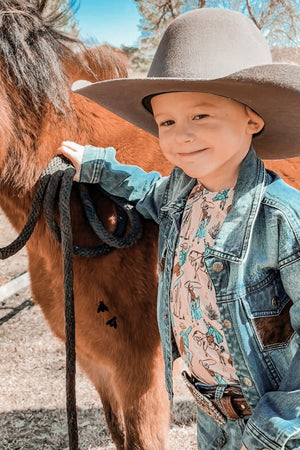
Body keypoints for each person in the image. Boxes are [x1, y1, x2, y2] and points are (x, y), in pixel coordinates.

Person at [59, 8, 300, 450]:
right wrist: (98, 166)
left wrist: (280, 427)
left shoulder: (281, 217)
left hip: (269, 423)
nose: (181, 136)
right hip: (209, 412)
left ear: (253, 120)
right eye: (167, 122)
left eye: (201, 116)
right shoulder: (181, 195)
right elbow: (147, 187)